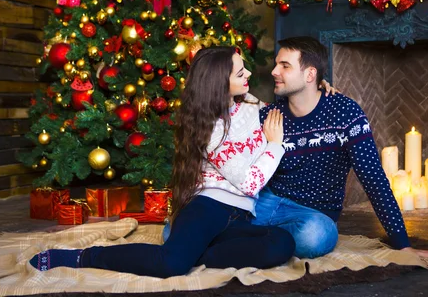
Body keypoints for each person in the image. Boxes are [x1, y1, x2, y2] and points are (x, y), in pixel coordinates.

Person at [29, 46, 296, 277]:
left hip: (240, 216)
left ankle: (197, 255)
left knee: (282, 243)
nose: (249, 74)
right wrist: (274, 145)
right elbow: (251, 183)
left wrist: (319, 87)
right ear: (218, 82)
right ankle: (84, 258)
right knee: (171, 265)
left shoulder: (250, 104)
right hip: (208, 207)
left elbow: (290, 108)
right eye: (240, 73)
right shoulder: (210, 129)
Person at [252, 36, 428, 268]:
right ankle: (264, 239)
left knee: (315, 237)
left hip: (313, 216)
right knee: (222, 214)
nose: (274, 71)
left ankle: (251, 237)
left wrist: (403, 244)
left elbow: (373, 178)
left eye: (284, 66)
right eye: (277, 64)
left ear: (310, 75)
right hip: (268, 202)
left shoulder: (345, 113)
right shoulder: (267, 114)